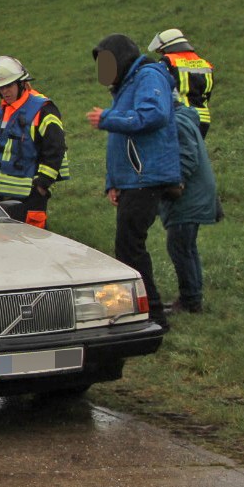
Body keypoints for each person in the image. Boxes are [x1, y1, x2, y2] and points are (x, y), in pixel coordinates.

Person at [86, 34, 181, 329]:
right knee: (128, 246)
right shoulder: (129, 84)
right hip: (133, 179)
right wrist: (113, 183)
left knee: (130, 246)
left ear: (121, 58)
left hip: (146, 177)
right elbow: (121, 143)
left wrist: (108, 118)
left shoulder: (148, 76)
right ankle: (143, 310)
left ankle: (152, 314)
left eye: (107, 62)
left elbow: (153, 115)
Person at [0, 56, 67, 228]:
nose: (5, 91)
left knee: (33, 242)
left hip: (31, 198)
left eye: (8, 86)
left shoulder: (43, 109)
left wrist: (42, 185)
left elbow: (56, 148)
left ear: (21, 83)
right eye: (0, 88)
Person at [160, 96, 220, 314]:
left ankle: (190, 300)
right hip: (195, 195)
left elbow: (187, 156)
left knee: (179, 246)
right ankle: (192, 297)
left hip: (189, 197)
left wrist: (177, 183)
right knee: (186, 247)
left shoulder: (177, 122)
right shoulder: (183, 118)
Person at [149, 27, 215, 137]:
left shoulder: (168, 61)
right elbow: (208, 94)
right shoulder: (205, 63)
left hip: (182, 116)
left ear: (167, 46)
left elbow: (161, 87)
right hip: (204, 118)